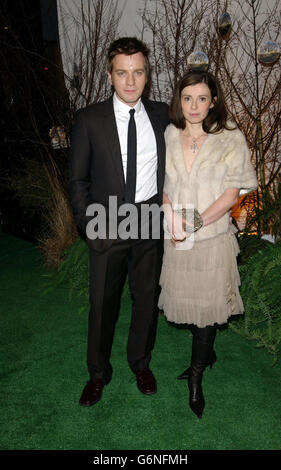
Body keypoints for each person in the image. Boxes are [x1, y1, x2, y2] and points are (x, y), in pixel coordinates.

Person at [69, 37, 169, 406]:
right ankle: (98, 373)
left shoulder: (161, 115)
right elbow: (77, 181)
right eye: (122, 73)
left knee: (146, 298)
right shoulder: (89, 119)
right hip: (106, 220)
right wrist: (89, 227)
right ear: (110, 75)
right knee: (102, 303)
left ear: (147, 75)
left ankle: (140, 363)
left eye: (138, 72)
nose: (130, 81)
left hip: (147, 218)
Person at [159, 70, 257, 418]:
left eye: (202, 98)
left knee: (206, 312)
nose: (194, 106)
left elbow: (232, 194)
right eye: (188, 98)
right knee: (188, 307)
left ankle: (196, 376)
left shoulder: (230, 137)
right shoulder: (170, 134)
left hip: (211, 236)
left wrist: (194, 224)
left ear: (213, 100)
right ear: (179, 101)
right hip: (178, 234)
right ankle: (207, 352)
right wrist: (172, 219)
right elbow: (166, 187)